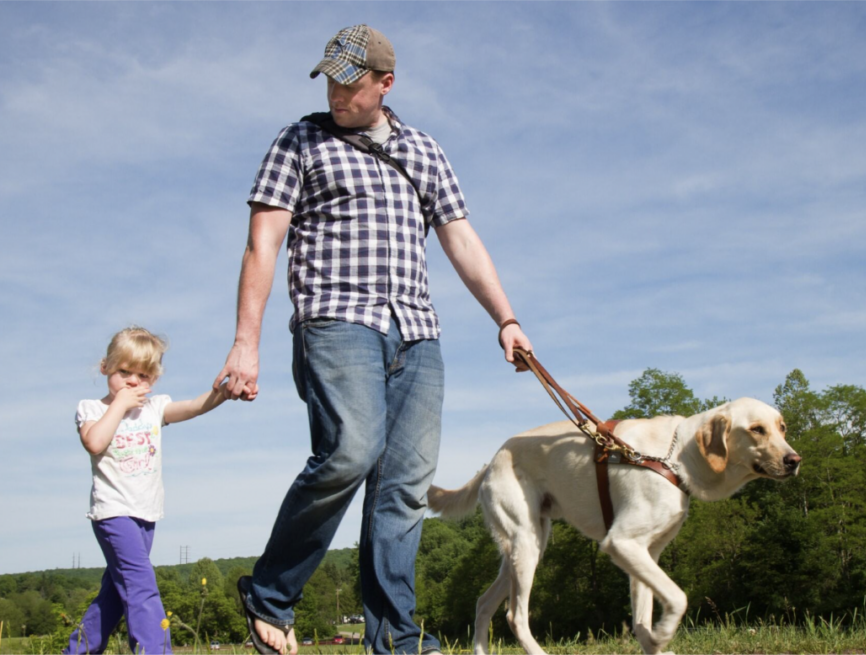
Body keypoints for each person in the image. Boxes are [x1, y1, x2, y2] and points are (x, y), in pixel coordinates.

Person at [215, 24, 532, 655]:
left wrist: (506, 317)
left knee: (404, 488)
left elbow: (461, 239)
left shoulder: (422, 148)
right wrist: (244, 342)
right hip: (336, 321)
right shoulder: (298, 140)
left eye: (351, 83)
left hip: (416, 331)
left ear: (385, 83)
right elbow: (262, 244)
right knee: (351, 452)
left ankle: (394, 638)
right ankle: (270, 595)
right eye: (329, 79)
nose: (336, 92)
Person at [66, 326, 252, 655]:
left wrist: (223, 394)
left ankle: (78, 650)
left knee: (115, 593)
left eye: (143, 375)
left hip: (146, 515)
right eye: (124, 372)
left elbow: (193, 406)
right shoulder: (93, 409)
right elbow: (94, 442)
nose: (133, 382)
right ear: (105, 367)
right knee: (142, 587)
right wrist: (120, 404)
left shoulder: (154, 409)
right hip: (113, 514)